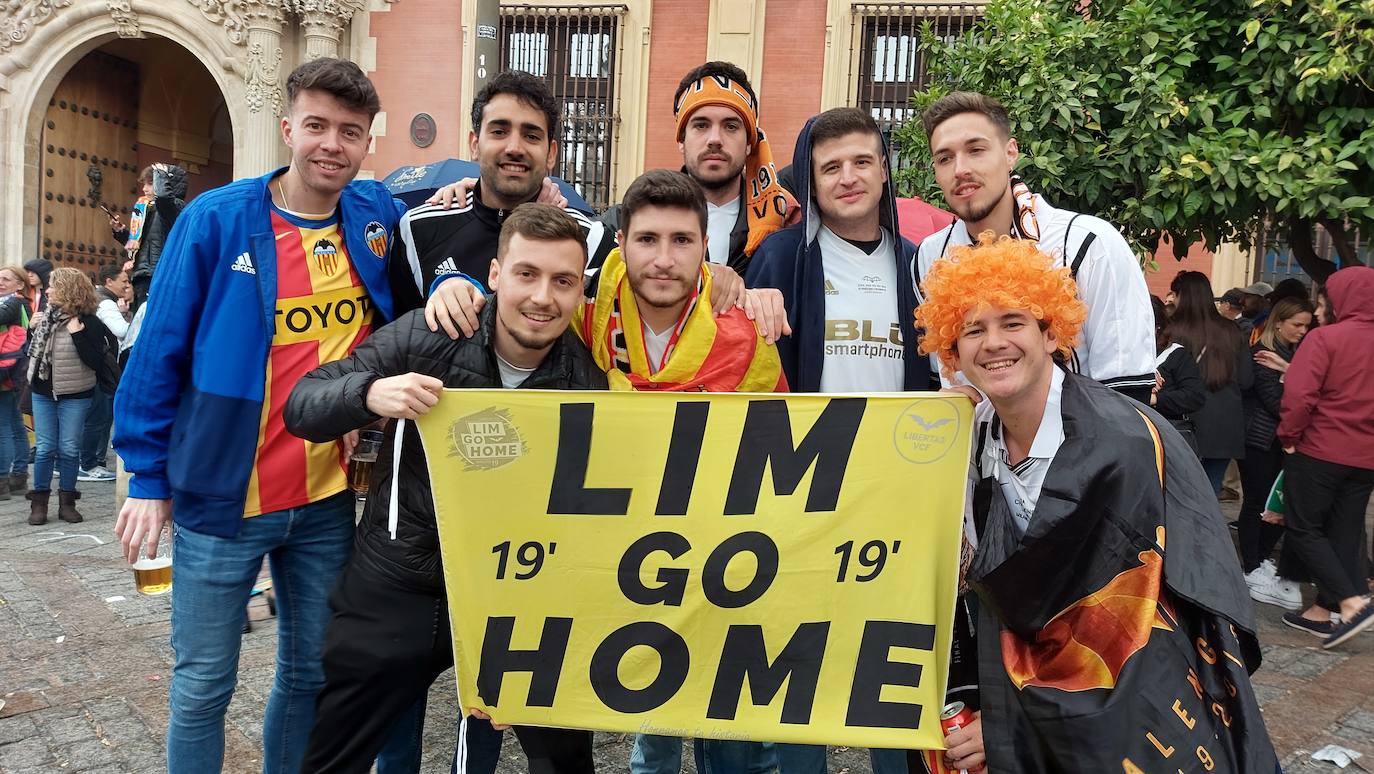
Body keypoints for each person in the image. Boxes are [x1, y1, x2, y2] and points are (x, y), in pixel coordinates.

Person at [112, 58, 409, 773]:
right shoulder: (217, 220)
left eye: (350, 131)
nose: (331, 145)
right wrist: (147, 478)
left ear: (370, 141)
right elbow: (158, 353)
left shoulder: (374, 218)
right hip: (222, 499)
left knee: (311, 675)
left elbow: (445, 233)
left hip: (328, 504)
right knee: (203, 686)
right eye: (316, 127)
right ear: (287, 128)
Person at [915, 235, 1278, 772]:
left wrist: (1008, 730)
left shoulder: (1121, 444)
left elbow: (1121, 633)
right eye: (973, 329)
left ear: (1049, 330)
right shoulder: (971, 441)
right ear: (953, 349)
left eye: (1013, 322)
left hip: (1139, 705)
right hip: (1036, 693)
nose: (994, 343)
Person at [285, 203, 604, 774]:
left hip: (518, 593)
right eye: (527, 274)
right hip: (401, 580)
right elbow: (303, 404)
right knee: (333, 753)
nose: (542, 297)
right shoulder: (428, 332)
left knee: (566, 757)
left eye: (563, 282)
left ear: (581, 292)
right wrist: (368, 394)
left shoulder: (586, 378)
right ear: (495, 274)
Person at [746, 108, 942, 773]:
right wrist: (740, 296)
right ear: (810, 180)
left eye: (862, 161)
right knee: (805, 662)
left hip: (898, 497)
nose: (849, 177)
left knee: (889, 660)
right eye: (831, 167)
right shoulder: (777, 258)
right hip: (804, 494)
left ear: (885, 171)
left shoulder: (922, 265)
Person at [580, 170, 782, 773]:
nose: (663, 259)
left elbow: (781, 457)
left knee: (736, 739)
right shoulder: (581, 320)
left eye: (682, 241)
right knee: (654, 732)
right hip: (629, 558)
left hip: (725, 558)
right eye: (647, 240)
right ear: (620, 242)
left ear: (705, 250)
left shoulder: (746, 336)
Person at [914, 92, 1155, 400]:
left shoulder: (1090, 243)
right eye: (945, 158)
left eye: (976, 150)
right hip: (980, 447)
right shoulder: (931, 257)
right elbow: (949, 378)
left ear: (1010, 152)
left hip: (1082, 444)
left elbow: (1127, 390)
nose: (960, 169)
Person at [388, 70, 613, 324]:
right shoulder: (417, 231)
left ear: (551, 153)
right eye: (499, 132)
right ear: (475, 144)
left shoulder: (593, 241)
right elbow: (394, 342)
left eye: (531, 136)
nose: (514, 148)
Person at [602, 61, 797, 277]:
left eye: (731, 126)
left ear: (750, 143)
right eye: (701, 125)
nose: (715, 139)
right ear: (682, 140)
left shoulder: (787, 220)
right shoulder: (628, 219)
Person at [1276, 266, 1374, 648]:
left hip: (1320, 450)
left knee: (1303, 528)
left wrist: (1289, 438)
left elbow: (1299, 397)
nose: (1318, 311)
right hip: (1365, 458)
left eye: (1323, 301)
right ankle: (1326, 610)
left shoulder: (1325, 339)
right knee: (1346, 531)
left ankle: (1351, 604)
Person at [1239, 297, 1314, 611]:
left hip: (1280, 440)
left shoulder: (1292, 354)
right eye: (1297, 324)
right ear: (1279, 322)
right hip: (1261, 440)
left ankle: (1260, 560)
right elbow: (1279, 402)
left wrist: (1291, 377)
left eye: (1306, 325)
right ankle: (1251, 566)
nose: (1302, 330)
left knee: (1276, 505)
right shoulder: (1264, 354)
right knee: (1258, 502)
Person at [25, 268, 115, 525]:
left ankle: (67, 504)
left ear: (68, 289)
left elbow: (95, 362)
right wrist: (32, 330)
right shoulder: (44, 318)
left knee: (68, 448)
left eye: (53, 286)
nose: (48, 290)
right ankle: (38, 504)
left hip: (76, 394)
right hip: (43, 392)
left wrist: (77, 334)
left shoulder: (91, 321)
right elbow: (31, 356)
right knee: (44, 449)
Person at [1167, 270, 1252, 494]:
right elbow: (1246, 379)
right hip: (1224, 424)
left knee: (1175, 495)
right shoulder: (1232, 330)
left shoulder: (1170, 330)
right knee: (1210, 494)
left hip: (1180, 423)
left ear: (1180, 295)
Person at [108, 162, 188, 311]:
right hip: (143, 273)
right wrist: (121, 232)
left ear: (166, 182)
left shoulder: (174, 206)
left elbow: (164, 198)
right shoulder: (147, 208)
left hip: (158, 273)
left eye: (150, 184)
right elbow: (141, 244)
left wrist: (161, 175)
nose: (144, 189)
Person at [78, 264, 131, 482]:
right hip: (103, 368)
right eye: (123, 281)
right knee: (99, 418)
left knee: (97, 417)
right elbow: (123, 331)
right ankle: (91, 463)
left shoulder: (99, 299)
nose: (127, 285)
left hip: (96, 367)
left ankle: (91, 461)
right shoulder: (107, 303)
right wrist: (128, 318)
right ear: (109, 281)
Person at [1149, 295, 1206, 455]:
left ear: (1157, 326)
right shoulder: (1119, 356)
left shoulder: (1175, 354)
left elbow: (1195, 396)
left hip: (1166, 439)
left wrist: (1155, 399)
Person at [0, 265, 30, 500]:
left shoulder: (13, 302)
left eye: (6, 279)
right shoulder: (20, 303)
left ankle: (2, 480)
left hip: (6, 371)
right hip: (14, 372)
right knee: (14, 423)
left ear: (20, 284)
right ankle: (19, 475)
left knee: (3, 427)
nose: (0, 282)